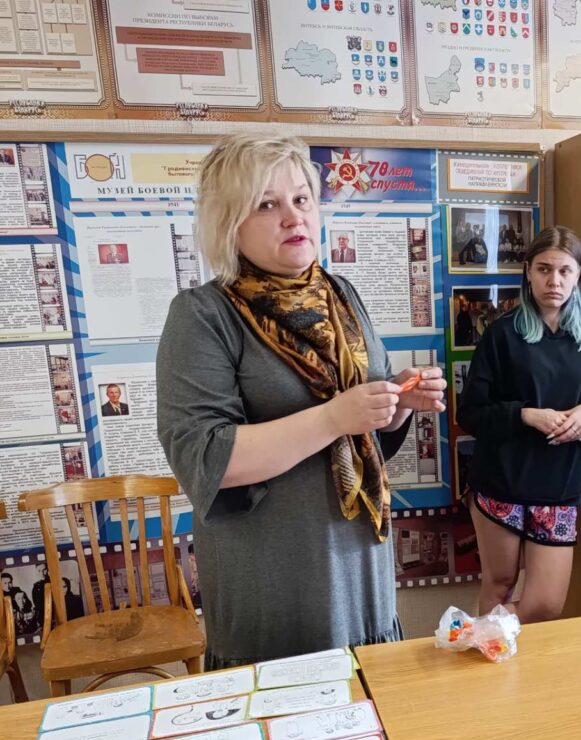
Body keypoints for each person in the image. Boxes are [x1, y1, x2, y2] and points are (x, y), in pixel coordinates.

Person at [156, 133, 446, 668]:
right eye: (267, 205)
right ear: (229, 223)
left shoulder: (341, 294)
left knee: (369, 699)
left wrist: (401, 398)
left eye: (301, 199)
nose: (293, 217)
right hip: (272, 576)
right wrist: (333, 417)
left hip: (359, 561)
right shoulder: (203, 315)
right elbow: (207, 458)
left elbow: (367, 430)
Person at [457, 225, 581, 622]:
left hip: (560, 486)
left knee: (545, 605)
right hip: (502, 481)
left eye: (564, 271)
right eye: (544, 269)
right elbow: (470, 413)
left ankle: (476, 634)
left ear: (579, 276)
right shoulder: (501, 334)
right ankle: (491, 653)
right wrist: (525, 415)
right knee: (500, 584)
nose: (554, 281)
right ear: (528, 271)